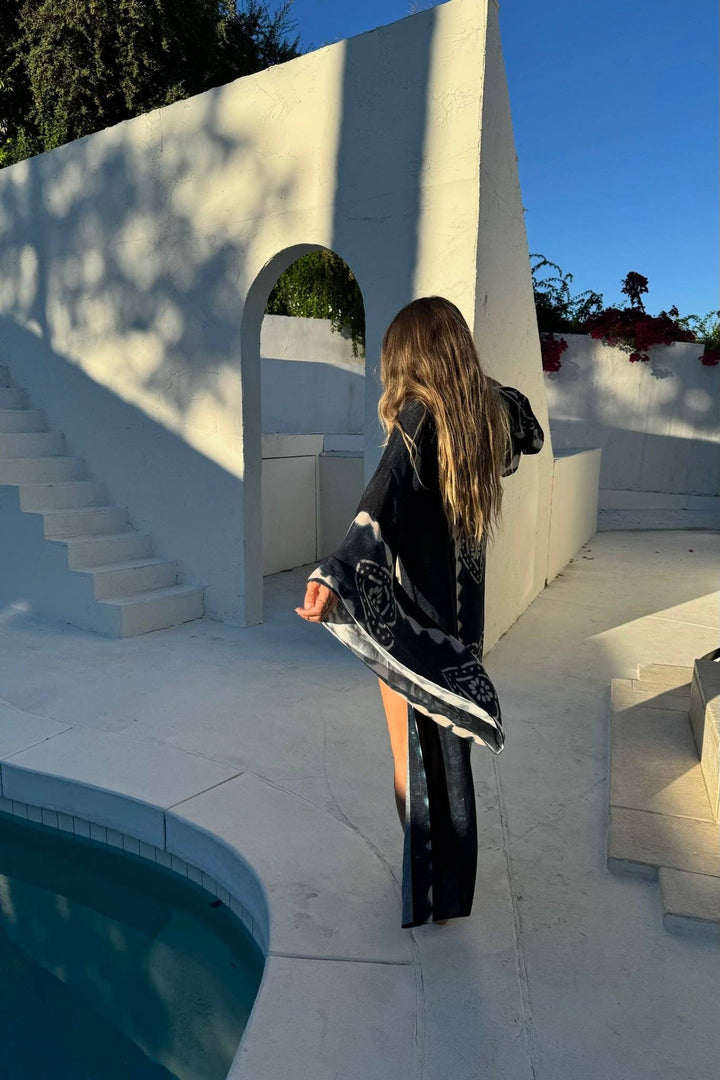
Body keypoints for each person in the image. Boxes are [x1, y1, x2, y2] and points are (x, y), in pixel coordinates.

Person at [295, 295, 544, 927]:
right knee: (450, 757)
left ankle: (427, 888)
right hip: (462, 633)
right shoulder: (488, 417)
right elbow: (531, 429)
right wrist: (474, 387)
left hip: (413, 623)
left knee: (411, 757)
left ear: (406, 357)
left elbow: (377, 504)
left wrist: (333, 575)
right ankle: (449, 894)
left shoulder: (416, 418)